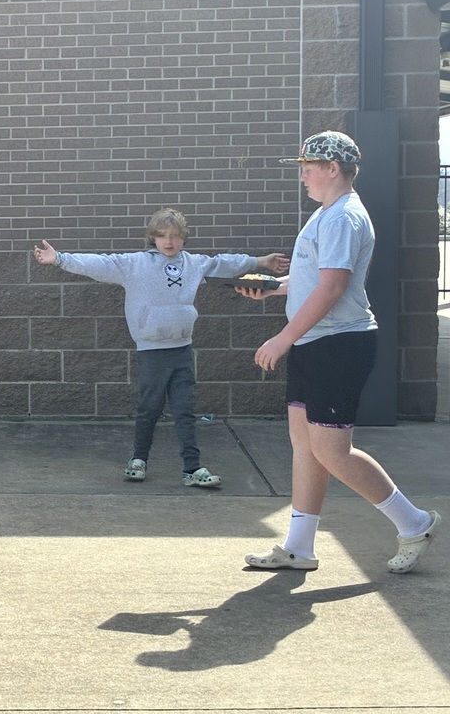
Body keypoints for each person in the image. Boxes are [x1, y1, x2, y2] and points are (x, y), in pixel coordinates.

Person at [238, 131, 440, 573]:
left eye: (308, 168)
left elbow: (332, 289)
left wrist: (283, 338)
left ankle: (415, 523)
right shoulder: (326, 213)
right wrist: (274, 288)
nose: (302, 176)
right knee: (306, 446)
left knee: (332, 451)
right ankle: (299, 548)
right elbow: (316, 279)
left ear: (333, 168)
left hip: (338, 345)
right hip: (316, 342)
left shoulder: (343, 217)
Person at [33, 208, 290, 488]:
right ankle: (138, 460)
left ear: (183, 238)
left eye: (175, 236)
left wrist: (260, 261)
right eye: (162, 235)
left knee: (184, 410)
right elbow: (98, 263)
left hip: (182, 350)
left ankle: (192, 468)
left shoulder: (194, 263)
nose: (169, 241)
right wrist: (59, 259)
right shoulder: (133, 264)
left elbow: (223, 263)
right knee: (149, 408)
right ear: (152, 238)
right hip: (151, 352)